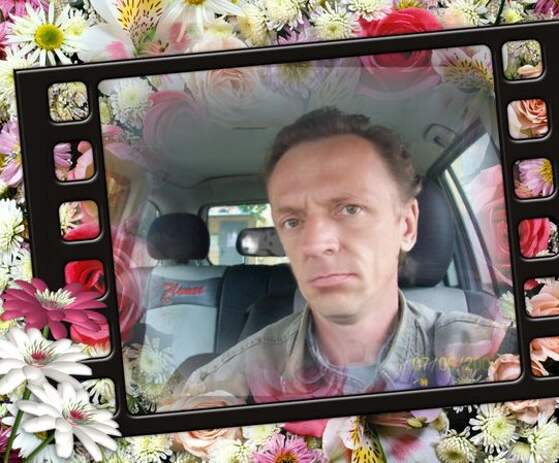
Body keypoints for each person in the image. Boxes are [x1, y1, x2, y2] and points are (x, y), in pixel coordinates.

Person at [174, 106, 517, 405]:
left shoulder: (499, 362)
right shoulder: (223, 388)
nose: (314, 243)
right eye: (292, 221)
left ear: (407, 225)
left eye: (350, 209)